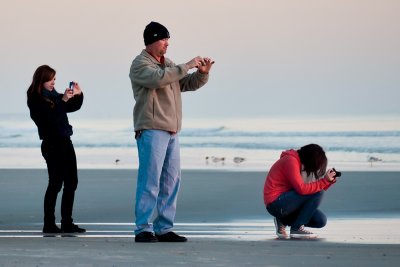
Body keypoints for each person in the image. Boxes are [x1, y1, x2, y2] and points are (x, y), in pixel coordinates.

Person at [129, 21, 214, 242]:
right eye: (164, 39)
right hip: (151, 128)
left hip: (172, 131)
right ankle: (143, 229)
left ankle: (164, 228)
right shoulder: (139, 64)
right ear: (152, 41)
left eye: (168, 39)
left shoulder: (169, 64)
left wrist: (202, 74)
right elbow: (158, 79)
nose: (167, 43)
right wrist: (186, 65)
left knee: (170, 181)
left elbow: (184, 84)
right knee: (150, 181)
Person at [27, 65, 86, 234]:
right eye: (50, 79)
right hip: (51, 144)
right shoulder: (35, 98)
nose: (53, 82)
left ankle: (67, 222)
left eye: (54, 79)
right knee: (55, 183)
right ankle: (49, 223)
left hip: (65, 142)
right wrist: (64, 101)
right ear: (42, 80)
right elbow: (51, 117)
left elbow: (71, 107)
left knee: (71, 182)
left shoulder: (54, 96)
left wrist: (78, 94)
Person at [263, 144, 338, 239]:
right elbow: (302, 189)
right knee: (319, 192)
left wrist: (328, 182)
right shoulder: (291, 160)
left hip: (287, 203)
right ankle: (297, 228)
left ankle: (283, 220)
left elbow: (311, 190)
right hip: (275, 203)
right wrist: (324, 181)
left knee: (320, 220)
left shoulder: (299, 164)